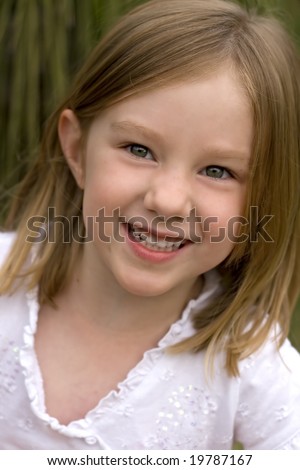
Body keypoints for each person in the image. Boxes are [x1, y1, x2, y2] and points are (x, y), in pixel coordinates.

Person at [0, 0, 300, 450]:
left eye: (217, 171)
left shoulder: (248, 360)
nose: (168, 200)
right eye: (139, 149)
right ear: (78, 150)